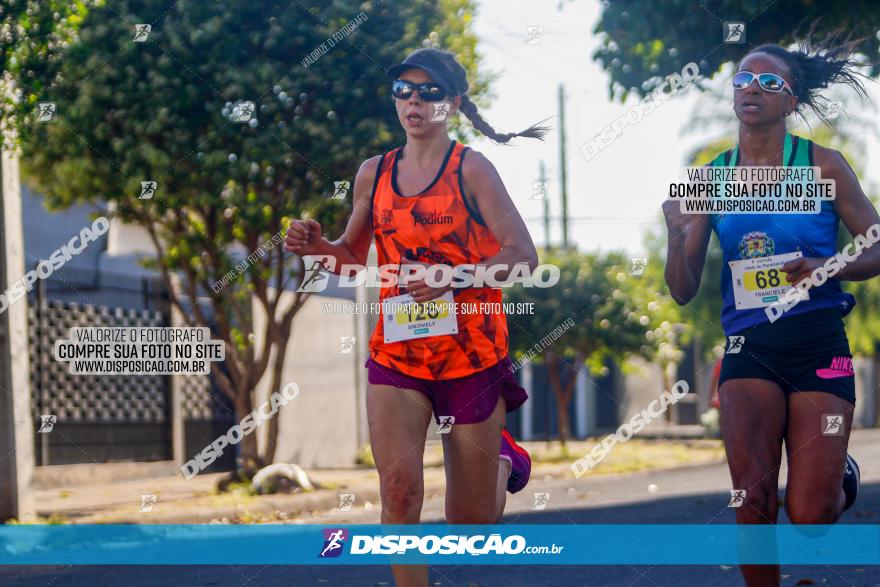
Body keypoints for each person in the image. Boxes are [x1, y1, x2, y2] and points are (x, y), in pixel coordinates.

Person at [285, 48, 547, 587]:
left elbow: (523, 257)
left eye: (428, 92)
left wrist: (454, 277)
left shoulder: (471, 169)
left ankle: (503, 457)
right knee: (398, 492)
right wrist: (316, 248)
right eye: (403, 90)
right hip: (397, 355)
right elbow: (353, 259)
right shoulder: (373, 173)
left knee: (469, 523)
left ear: (452, 104)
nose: (413, 101)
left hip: (472, 357)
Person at [662, 37, 878, 586]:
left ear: (791, 99)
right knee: (751, 494)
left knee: (810, 514)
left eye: (768, 82)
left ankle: (836, 477)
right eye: (742, 79)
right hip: (747, 349)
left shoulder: (823, 165)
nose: (751, 89)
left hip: (819, 349)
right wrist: (676, 236)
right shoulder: (711, 179)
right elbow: (683, 290)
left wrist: (828, 267)